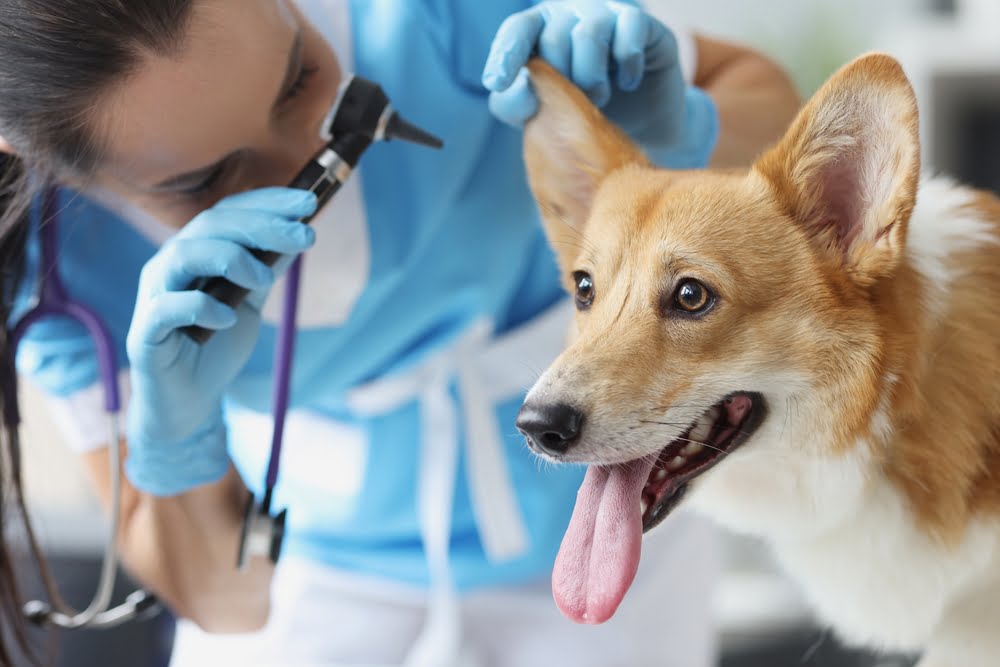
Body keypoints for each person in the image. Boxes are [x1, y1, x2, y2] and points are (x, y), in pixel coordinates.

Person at [0, 1, 800, 665]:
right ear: (50, 164)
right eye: (202, 179)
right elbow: (226, 600)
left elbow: (773, 112)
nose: (310, 157)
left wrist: (680, 139)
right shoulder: (58, 277)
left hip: (609, 535)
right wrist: (174, 433)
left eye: (298, 77)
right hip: (316, 580)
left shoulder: (439, 20)